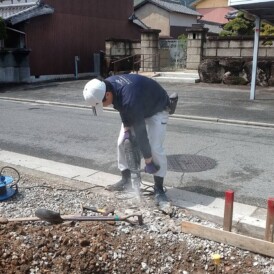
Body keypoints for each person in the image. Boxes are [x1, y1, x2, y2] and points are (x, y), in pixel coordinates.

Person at [83, 74, 176, 210]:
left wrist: (148, 161)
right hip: (138, 105)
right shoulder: (107, 86)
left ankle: (159, 189)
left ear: (107, 95)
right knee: (122, 142)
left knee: (155, 147)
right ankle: (126, 179)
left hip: (157, 107)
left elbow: (141, 133)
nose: (104, 106)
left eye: (102, 104)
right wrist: (127, 130)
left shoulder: (128, 98)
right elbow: (122, 108)